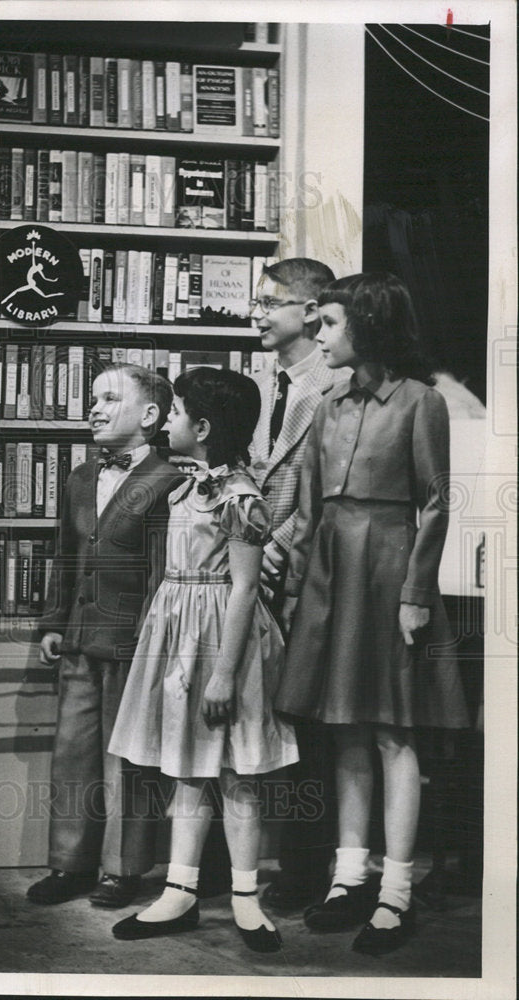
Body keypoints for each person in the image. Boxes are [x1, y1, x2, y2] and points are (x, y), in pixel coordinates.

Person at [275, 272, 469, 955]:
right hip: (330, 576)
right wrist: (298, 586)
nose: (317, 335)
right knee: (342, 728)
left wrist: (416, 594)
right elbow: (305, 509)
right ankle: (347, 876)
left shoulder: (421, 403)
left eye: (327, 323)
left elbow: (436, 504)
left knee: (394, 731)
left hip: (388, 574)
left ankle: (394, 893)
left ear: (369, 327)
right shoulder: (326, 403)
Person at [108, 367, 298, 952]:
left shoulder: (240, 497)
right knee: (185, 767)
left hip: (223, 639)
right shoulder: (187, 487)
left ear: (205, 426)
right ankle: (180, 889)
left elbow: (244, 588)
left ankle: (245, 896)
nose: (168, 420)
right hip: (179, 632)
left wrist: (223, 671)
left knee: (239, 772)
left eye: (177, 411)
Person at [27, 363, 183, 909]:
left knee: (129, 763)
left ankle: (124, 869)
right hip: (78, 641)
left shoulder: (171, 481)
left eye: (109, 399)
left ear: (149, 415)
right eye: (93, 398)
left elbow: (164, 574)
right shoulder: (79, 477)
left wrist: (152, 641)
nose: (94, 408)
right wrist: (53, 623)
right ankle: (70, 865)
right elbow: (65, 557)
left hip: (132, 643)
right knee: (73, 754)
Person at [247, 257, 342, 912]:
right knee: (278, 721)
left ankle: (311, 868)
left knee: (312, 729)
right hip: (262, 580)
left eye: (269, 301)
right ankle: (284, 860)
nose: (256, 312)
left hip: (307, 579)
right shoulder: (267, 384)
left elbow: (330, 488)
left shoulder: (332, 387)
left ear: (311, 312)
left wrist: (280, 545)